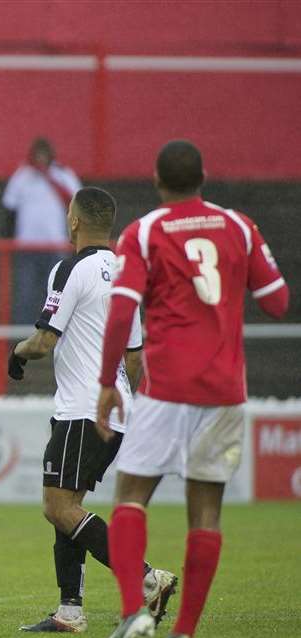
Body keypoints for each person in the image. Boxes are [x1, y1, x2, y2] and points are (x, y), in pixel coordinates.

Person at [96, 140, 289, 638]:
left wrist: (106, 382)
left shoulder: (144, 233)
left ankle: (131, 614)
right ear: (203, 176)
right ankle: (183, 630)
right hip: (224, 391)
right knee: (206, 513)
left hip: (165, 389)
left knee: (131, 498)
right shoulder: (239, 227)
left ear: (157, 180)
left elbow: (121, 312)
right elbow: (277, 302)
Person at [8, 187, 176, 632]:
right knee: (70, 506)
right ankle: (70, 610)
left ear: (75, 221)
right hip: (114, 408)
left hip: (82, 408)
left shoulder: (71, 268)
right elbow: (135, 356)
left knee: (58, 507)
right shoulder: (125, 271)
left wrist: (18, 354)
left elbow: (44, 341)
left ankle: (146, 579)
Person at [2, 137, 81, 324]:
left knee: (58, 294)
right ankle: (21, 336)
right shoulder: (23, 176)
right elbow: (9, 209)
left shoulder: (63, 175)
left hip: (55, 245)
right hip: (27, 246)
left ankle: (56, 331)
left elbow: (78, 202)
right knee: (25, 294)